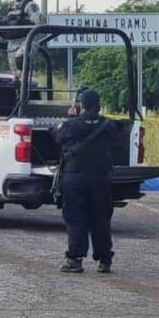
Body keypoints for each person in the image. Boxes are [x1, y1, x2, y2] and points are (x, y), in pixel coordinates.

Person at [55, 89, 117, 274]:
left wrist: (71, 118)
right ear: (99, 104)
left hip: (75, 177)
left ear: (82, 105)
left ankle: (75, 259)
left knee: (75, 219)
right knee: (101, 219)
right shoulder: (108, 125)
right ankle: (104, 260)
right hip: (101, 178)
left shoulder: (71, 125)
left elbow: (57, 138)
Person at [5, 0, 42, 77]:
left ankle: (27, 88)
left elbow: (36, 23)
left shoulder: (30, 5)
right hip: (13, 44)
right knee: (16, 75)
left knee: (21, 59)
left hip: (27, 40)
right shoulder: (11, 8)